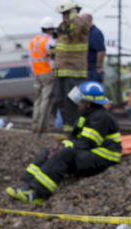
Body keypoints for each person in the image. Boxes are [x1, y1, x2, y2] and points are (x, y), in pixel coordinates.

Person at [6, 81, 121, 204]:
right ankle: (27, 186)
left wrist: (65, 146)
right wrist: (62, 145)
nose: (78, 104)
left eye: (81, 101)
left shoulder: (100, 117)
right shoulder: (89, 114)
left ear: (89, 103)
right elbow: (77, 138)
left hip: (104, 156)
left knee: (64, 154)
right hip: (92, 153)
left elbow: (88, 142)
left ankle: (38, 195)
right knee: (50, 152)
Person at [53, 0, 90, 132]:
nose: (64, 16)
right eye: (63, 14)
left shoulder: (79, 25)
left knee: (72, 101)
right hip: (61, 71)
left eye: (66, 13)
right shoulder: (62, 28)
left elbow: (82, 26)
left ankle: (76, 129)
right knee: (60, 101)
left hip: (75, 72)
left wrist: (74, 16)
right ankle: (68, 128)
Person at [30, 17, 57, 133]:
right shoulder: (50, 42)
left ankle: (35, 125)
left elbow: (30, 60)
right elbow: (52, 59)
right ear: (50, 29)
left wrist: (34, 71)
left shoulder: (33, 41)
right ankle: (43, 126)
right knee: (46, 100)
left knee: (37, 100)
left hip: (37, 73)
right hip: (47, 73)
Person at [80, 13, 106, 83]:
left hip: (92, 70)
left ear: (88, 21)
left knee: (91, 90)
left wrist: (98, 66)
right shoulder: (85, 33)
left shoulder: (95, 33)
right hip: (85, 69)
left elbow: (101, 51)